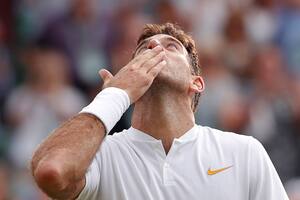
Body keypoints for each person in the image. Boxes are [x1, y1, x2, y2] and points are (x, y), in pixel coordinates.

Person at [30, 23, 288, 200]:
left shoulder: (244, 152)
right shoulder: (101, 154)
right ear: (130, 75)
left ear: (196, 82)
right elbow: (51, 172)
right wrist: (114, 96)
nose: (154, 49)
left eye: (171, 46)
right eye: (144, 50)